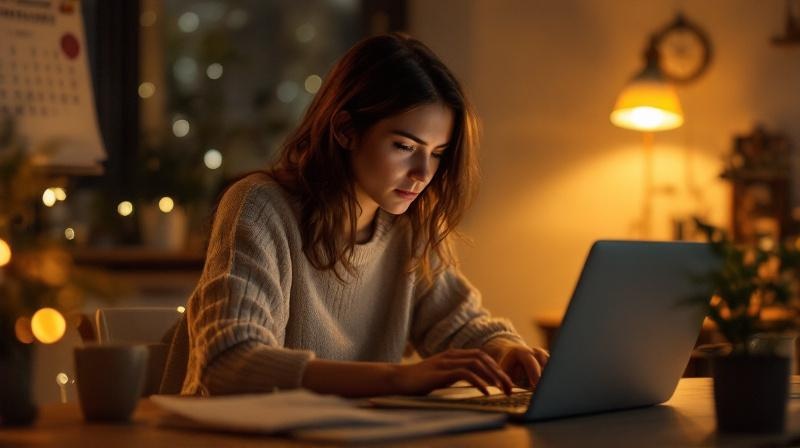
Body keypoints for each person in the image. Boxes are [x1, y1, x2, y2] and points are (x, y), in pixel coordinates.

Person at [169, 33, 549, 398]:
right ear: (346, 129)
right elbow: (229, 363)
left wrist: (505, 350)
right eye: (404, 146)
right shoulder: (259, 207)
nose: (423, 174)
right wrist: (397, 378)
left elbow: (460, 324)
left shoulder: (409, 227)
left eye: (437, 153)